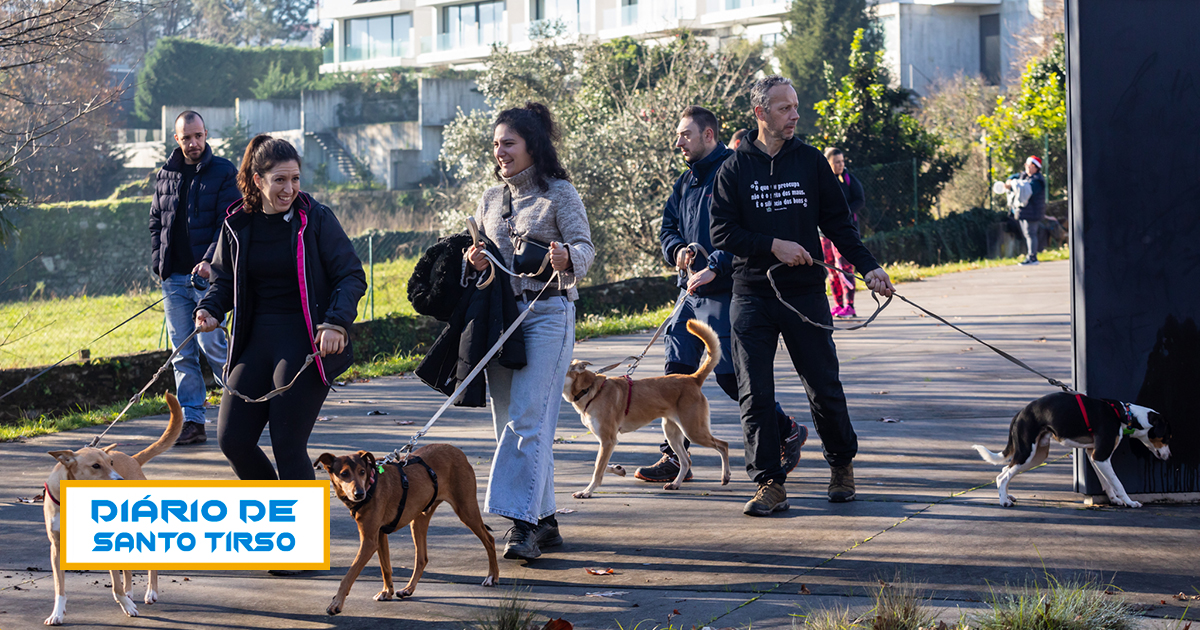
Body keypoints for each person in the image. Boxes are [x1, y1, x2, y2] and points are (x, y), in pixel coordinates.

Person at [709, 75, 895, 516]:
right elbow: (721, 231)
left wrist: (868, 266)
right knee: (754, 390)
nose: (794, 115)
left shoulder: (810, 162)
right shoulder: (734, 168)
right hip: (752, 292)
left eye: (795, 107)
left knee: (823, 384)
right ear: (760, 113)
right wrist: (773, 245)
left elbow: (838, 223)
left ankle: (841, 464)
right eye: (784, 108)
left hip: (805, 294)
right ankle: (770, 482)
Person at [633, 106, 806, 485]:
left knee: (730, 378)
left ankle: (786, 429)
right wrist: (677, 251)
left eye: (685, 135)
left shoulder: (738, 171)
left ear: (709, 135)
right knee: (674, 377)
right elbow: (668, 229)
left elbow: (748, 231)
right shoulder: (684, 182)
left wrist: (718, 263)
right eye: (678, 135)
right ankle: (676, 458)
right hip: (688, 292)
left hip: (727, 291)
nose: (678, 142)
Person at [194, 135, 366, 481]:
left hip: (304, 343)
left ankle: (305, 531)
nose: (290, 189)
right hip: (254, 343)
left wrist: (336, 323)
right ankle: (276, 515)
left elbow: (350, 275)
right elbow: (224, 279)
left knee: (288, 445)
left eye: (295, 179)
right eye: (280, 180)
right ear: (258, 181)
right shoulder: (237, 224)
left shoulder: (315, 219)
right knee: (233, 440)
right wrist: (211, 308)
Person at [465, 102, 594, 561]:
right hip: (502, 321)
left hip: (547, 315)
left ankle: (520, 526)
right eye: (496, 144)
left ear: (532, 146)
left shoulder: (561, 193)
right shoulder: (489, 199)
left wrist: (566, 258)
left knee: (526, 420)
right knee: (512, 426)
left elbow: (585, 250)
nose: (500, 151)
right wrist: (474, 260)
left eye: (509, 143)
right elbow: (486, 263)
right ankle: (546, 520)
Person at [149, 111, 239, 446]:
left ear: (206, 134)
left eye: (199, 136)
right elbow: (156, 221)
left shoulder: (224, 171)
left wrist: (210, 262)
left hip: (209, 279)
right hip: (173, 279)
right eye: (187, 137)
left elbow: (227, 223)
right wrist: (160, 263)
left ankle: (243, 406)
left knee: (211, 344)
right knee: (182, 352)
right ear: (177, 139)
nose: (194, 143)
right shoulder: (166, 174)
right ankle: (193, 421)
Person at [821, 148, 866, 318]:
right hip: (824, 234)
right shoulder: (823, 180)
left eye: (842, 161)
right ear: (829, 163)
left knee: (845, 268)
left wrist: (843, 214)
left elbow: (860, 200)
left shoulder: (848, 179)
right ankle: (838, 305)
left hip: (844, 232)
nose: (841, 165)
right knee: (831, 269)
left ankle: (850, 305)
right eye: (837, 162)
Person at [1004, 155, 1046, 265]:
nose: (1027, 167)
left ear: (1035, 167)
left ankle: (1032, 257)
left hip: (1033, 213)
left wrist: (1012, 185)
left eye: (1030, 165)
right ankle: (1030, 256)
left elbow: (1027, 190)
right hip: (1024, 212)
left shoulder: (1037, 180)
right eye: (1026, 165)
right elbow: (1014, 177)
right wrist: (1010, 180)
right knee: (1027, 234)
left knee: (1031, 233)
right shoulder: (1024, 176)